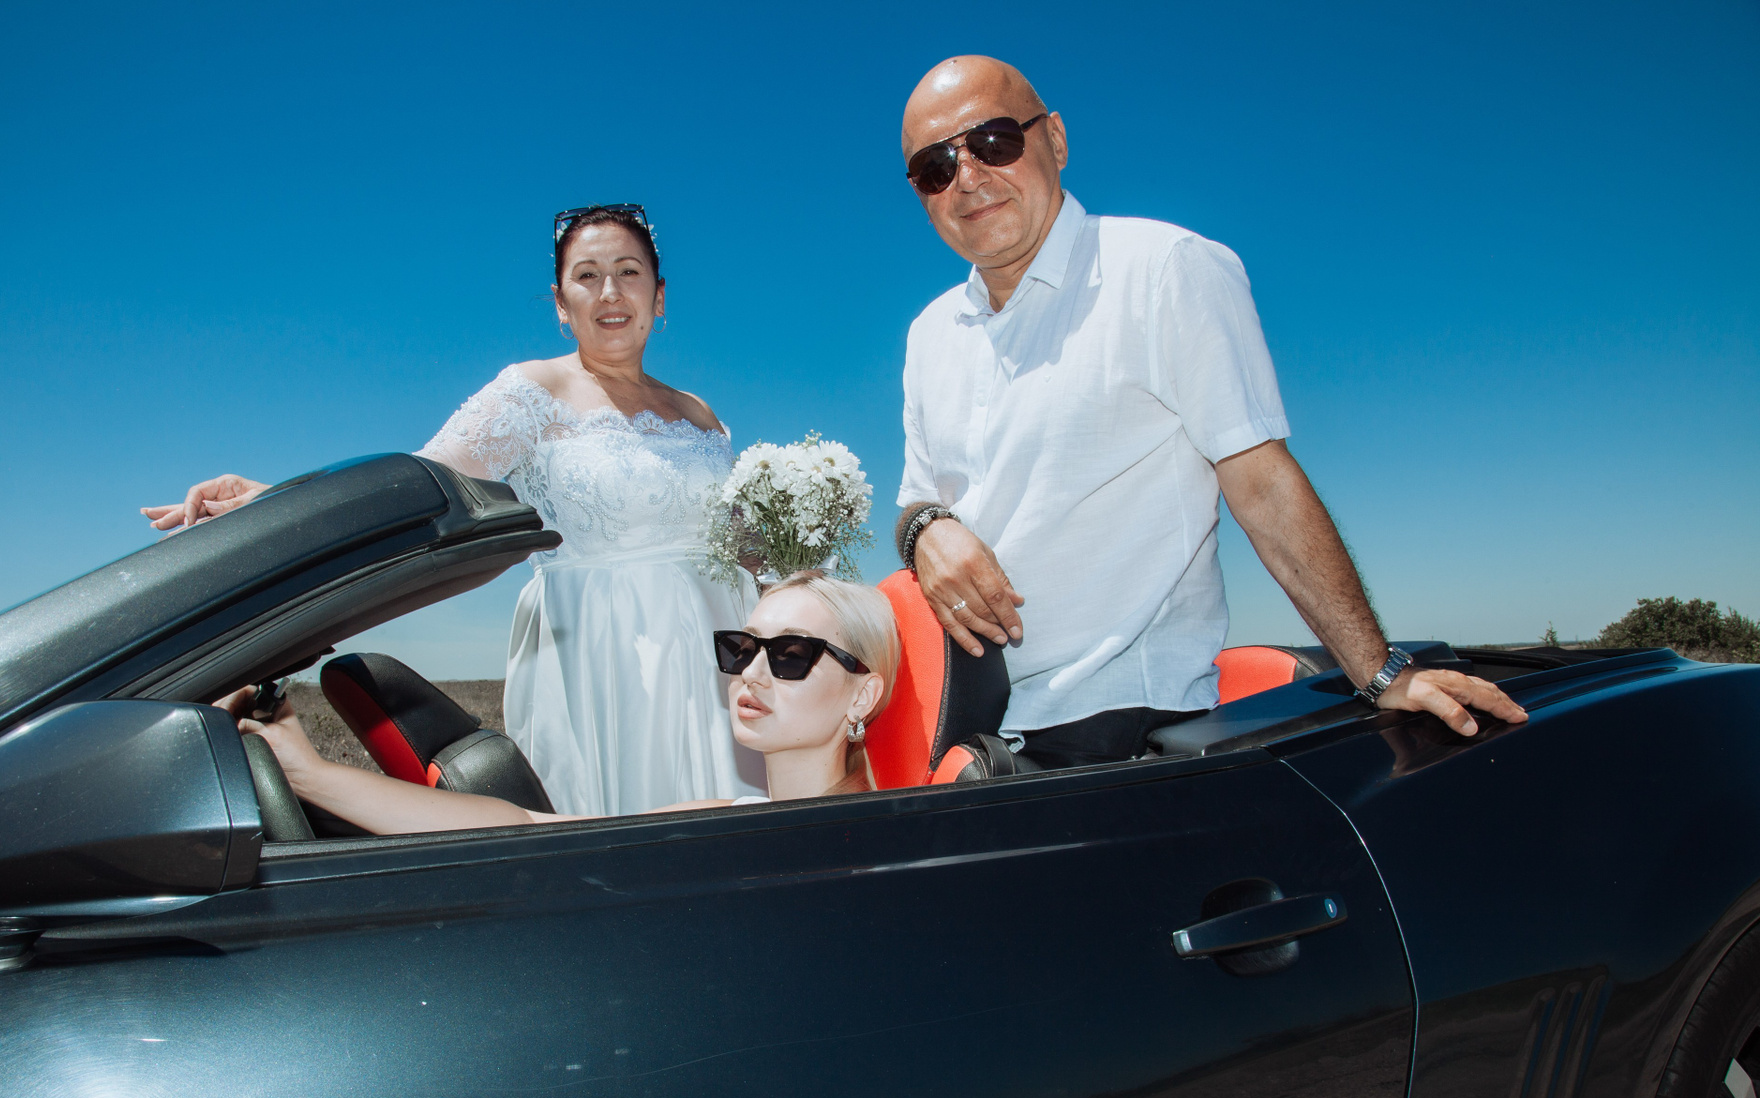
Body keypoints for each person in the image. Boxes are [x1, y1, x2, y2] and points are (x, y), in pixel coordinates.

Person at [891, 56, 1526, 769]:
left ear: (1056, 140)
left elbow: (1261, 483)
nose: (967, 176)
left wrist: (1380, 674)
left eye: (993, 141)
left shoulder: (1165, 269)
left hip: (1116, 729)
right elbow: (918, 496)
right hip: (965, 730)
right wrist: (925, 529)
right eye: (934, 167)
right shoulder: (928, 333)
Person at [144, 205, 763, 813]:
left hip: (725, 651)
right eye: (587, 275)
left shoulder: (699, 413)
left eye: (628, 271)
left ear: (659, 295)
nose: (610, 292)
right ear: (560, 303)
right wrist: (275, 499)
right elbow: (418, 484)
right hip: (605, 658)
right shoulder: (533, 391)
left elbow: (744, 548)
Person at [221, 572, 898, 833]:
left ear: (863, 693)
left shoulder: (881, 838)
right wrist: (310, 775)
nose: (751, 672)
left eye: (790, 654)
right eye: (740, 647)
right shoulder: (732, 817)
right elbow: (524, 827)